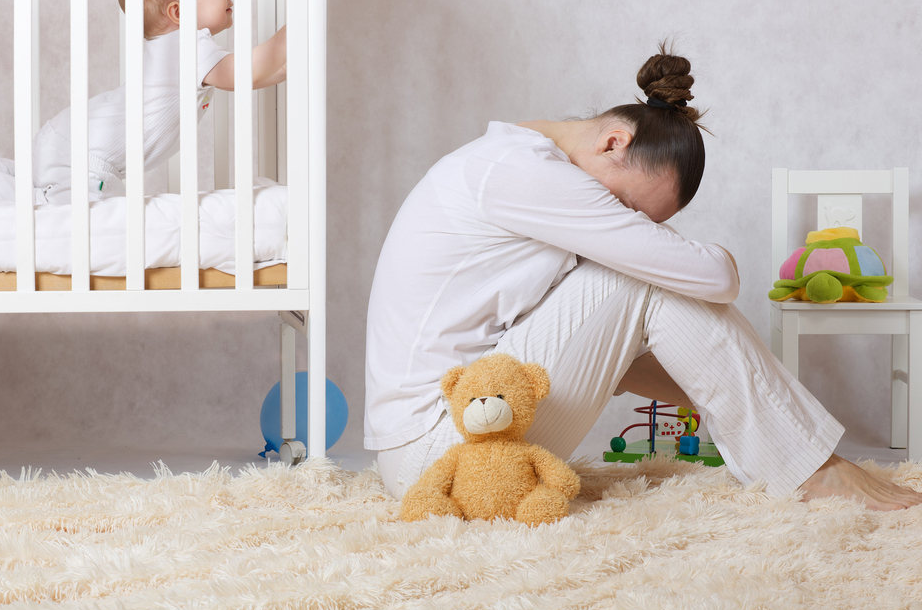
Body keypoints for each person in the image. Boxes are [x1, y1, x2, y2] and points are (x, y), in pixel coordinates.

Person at [364, 46, 922, 512]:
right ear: (614, 143)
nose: (627, 228)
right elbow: (716, 276)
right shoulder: (521, 172)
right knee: (644, 277)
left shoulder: (514, 163)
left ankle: (801, 458)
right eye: (628, 210)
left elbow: (617, 355)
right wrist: (762, 400)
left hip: (465, 440)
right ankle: (810, 469)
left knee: (642, 280)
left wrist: (741, 395)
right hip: (440, 454)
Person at [0, 0, 286, 204]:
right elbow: (246, 72)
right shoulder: (189, 48)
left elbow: (254, 75)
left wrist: (290, 63)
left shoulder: (181, 49)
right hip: (83, 156)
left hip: (71, 143)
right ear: (177, 12)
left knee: (88, 204)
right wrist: (293, 32)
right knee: (81, 216)